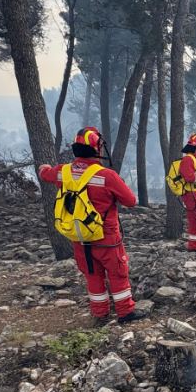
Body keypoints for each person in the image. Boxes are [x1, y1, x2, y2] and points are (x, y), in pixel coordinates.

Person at [39, 127, 145, 325]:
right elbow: (130, 201)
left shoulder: (63, 172)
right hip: (106, 237)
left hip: (79, 236)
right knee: (118, 274)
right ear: (97, 148)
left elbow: (46, 174)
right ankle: (125, 312)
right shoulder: (106, 176)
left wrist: (43, 168)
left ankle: (100, 313)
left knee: (92, 275)